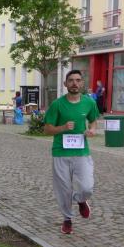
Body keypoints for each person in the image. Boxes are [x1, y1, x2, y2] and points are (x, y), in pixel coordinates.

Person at [43, 70, 99, 235]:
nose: (75, 83)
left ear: (82, 83)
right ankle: (67, 219)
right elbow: (47, 129)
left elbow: (93, 121)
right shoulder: (57, 104)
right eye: (71, 80)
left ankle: (81, 200)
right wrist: (62, 127)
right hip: (60, 152)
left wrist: (92, 130)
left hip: (82, 152)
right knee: (64, 189)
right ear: (65, 84)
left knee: (87, 186)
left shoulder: (89, 103)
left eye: (78, 80)